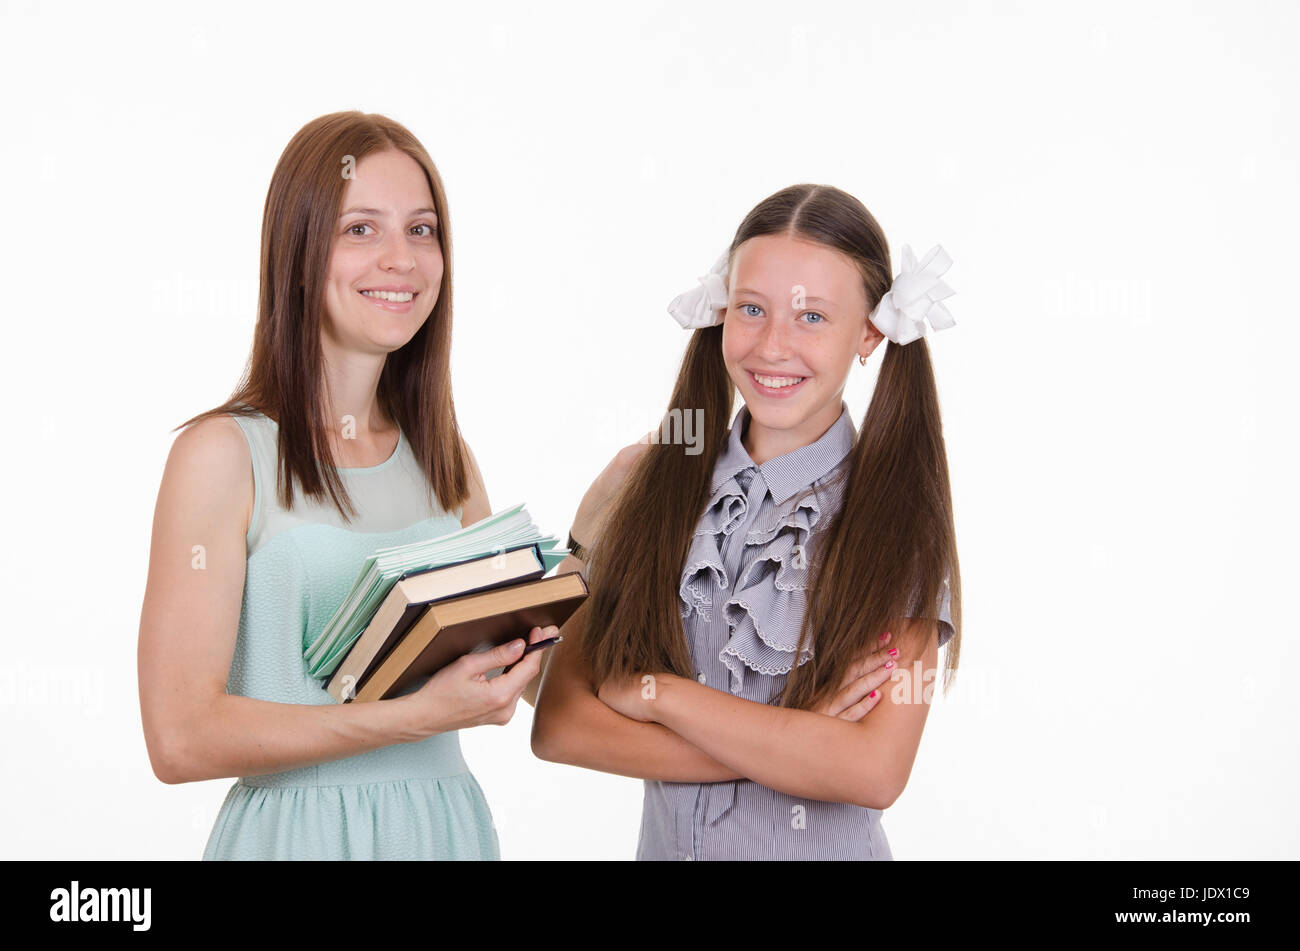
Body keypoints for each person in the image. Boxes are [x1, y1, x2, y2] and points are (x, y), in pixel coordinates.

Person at [137, 111, 579, 860]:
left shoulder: (444, 456)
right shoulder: (223, 454)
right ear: (300, 254)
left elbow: (539, 681)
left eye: (422, 229)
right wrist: (411, 717)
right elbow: (178, 739)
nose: (402, 260)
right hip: (296, 840)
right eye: (361, 230)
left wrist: (600, 529)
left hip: (444, 834)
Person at [532, 183, 963, 860]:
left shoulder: (895, 521)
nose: (772, 345)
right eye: (751, 309)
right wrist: (792, 739)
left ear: (870, 332)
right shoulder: (655, 486)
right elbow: (560, 725)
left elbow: (872, 769)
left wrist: (663, 696)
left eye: (812, 317)